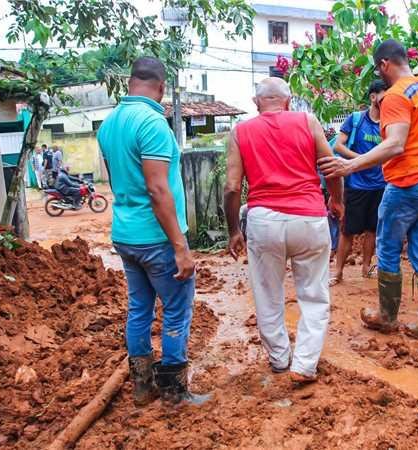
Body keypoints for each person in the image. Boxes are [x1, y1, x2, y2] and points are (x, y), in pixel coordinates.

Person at [319, 39, 418, 347]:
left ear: (383, 65)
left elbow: (395, 144)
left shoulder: (395, 96)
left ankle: (387, 318)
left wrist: (348, 167)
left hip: (408, 182)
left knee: (388, 249)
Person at [97, 56, 209, 407]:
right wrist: (180, 246)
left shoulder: (109, 123)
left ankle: (142, 387)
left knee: (139, 308)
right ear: (161, 87)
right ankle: (175, 393)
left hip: (126, 234)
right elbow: (158, 190)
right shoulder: (152, 123)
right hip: (156, 237)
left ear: (131, 83)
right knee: (176, 308)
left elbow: (119, 181)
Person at [224, 77, 344, 384]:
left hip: (264, 221)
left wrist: (234, 230)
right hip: (309, 218)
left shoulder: (240, 131)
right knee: (314, 295)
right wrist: (337, 201)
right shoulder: (308, 121)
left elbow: (232, 187)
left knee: (268, 295)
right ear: (288, 101)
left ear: (256, 103)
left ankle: (279, 359)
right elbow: (330, 166)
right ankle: (304, 365)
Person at [330, 79, 387, 286]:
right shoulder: (356, 120)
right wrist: (360, 160)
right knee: (348, 230)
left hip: (380, 185)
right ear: (373, 97)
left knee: (373, 229)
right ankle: (338, 272)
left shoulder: (389, 124)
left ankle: (366, 268)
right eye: (383, 96)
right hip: (357, 185)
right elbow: (338, 146)